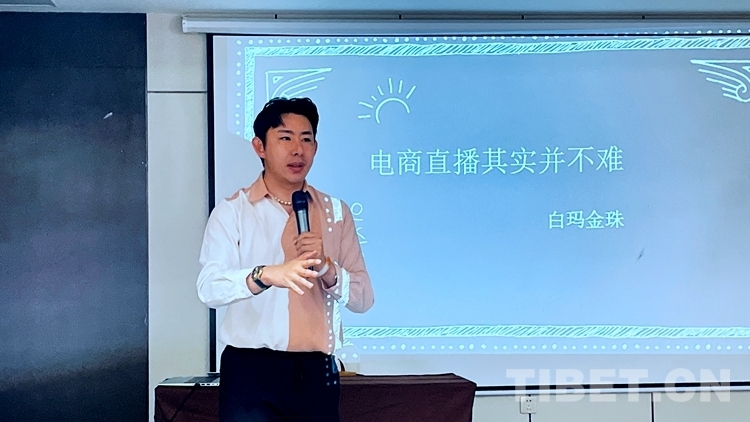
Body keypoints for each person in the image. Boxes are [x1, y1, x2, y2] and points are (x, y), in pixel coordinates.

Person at [196, 97, 374, 422]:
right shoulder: (233, 211)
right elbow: (209, 288)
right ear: (260, 147)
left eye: (306, 139)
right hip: (251, 370)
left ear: (316, 147)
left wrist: (328, 268)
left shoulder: (336, 213)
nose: (297, 150)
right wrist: (265, 275)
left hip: (317, 371)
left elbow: (363, 299)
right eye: (285, 138)